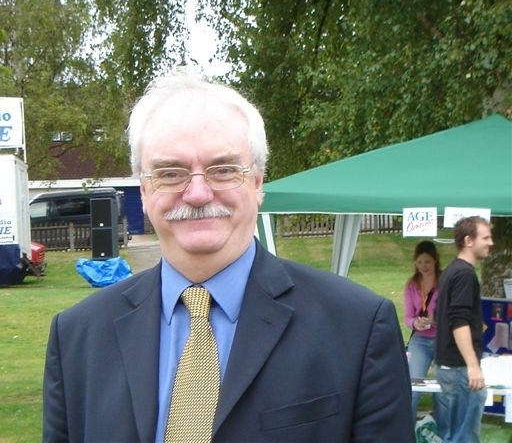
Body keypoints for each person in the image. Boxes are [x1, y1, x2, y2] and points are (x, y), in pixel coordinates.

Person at [42, 69, 414, 442]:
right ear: (143, 190)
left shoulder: (357, 328)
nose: (197, 193)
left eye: (223, 170)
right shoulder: (78, 337)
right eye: (170, 173)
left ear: (257, 183)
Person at [434, 216, 493, 442]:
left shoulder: (451, 270)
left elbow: (443, 315)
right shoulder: (465, 274)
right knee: (464, 437)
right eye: (485, 238)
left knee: (452, 435)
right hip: (460, 369)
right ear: (469, 240)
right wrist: (473, 366)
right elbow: (458, 321)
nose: (490, 243)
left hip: (449, 366)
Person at [403, 240, 441, 423]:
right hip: (420, 340)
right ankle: (407, 431)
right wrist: (415, 323)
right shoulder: (412, 285)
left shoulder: (445, 282)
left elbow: (454, 315)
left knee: (442, 390)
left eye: (427, 262)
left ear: (435, 260)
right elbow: (407, 317)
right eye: (419, 262)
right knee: (413, 388)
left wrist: (436, 320)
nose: (424, 266)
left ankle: (442, 430)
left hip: (443, 339)